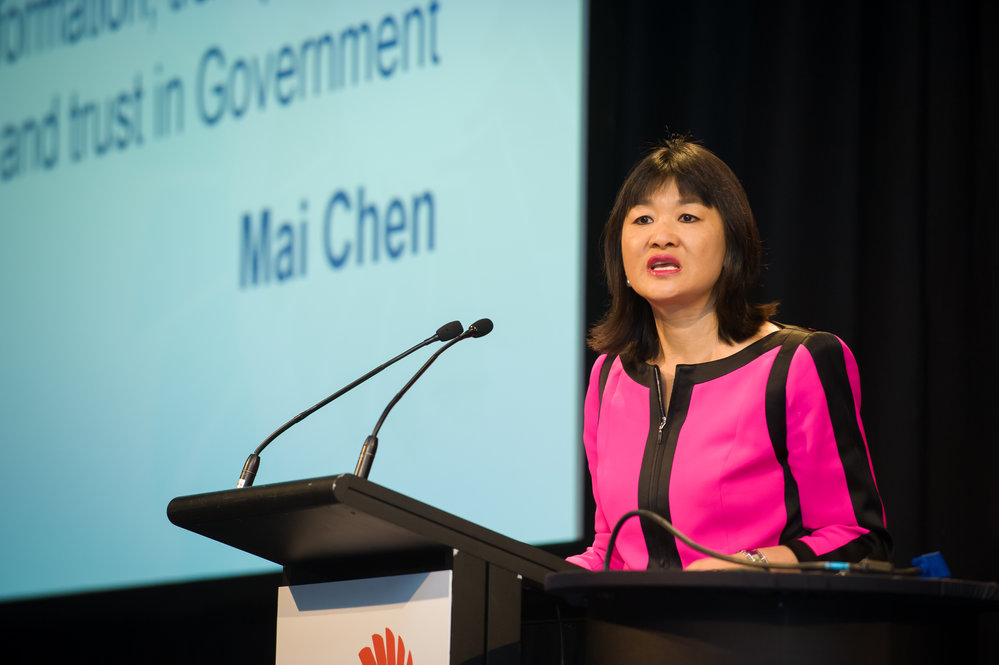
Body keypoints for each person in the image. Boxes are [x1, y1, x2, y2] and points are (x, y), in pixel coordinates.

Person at [568, 138, 891, 571]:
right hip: (636, 618)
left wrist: (749, 565)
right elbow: (611, 550)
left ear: (732, 243)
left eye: (687, 217)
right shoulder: (610, 375)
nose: (661, 236)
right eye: (642, 219)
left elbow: (857, 541)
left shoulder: (795, 363)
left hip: (752, 613)